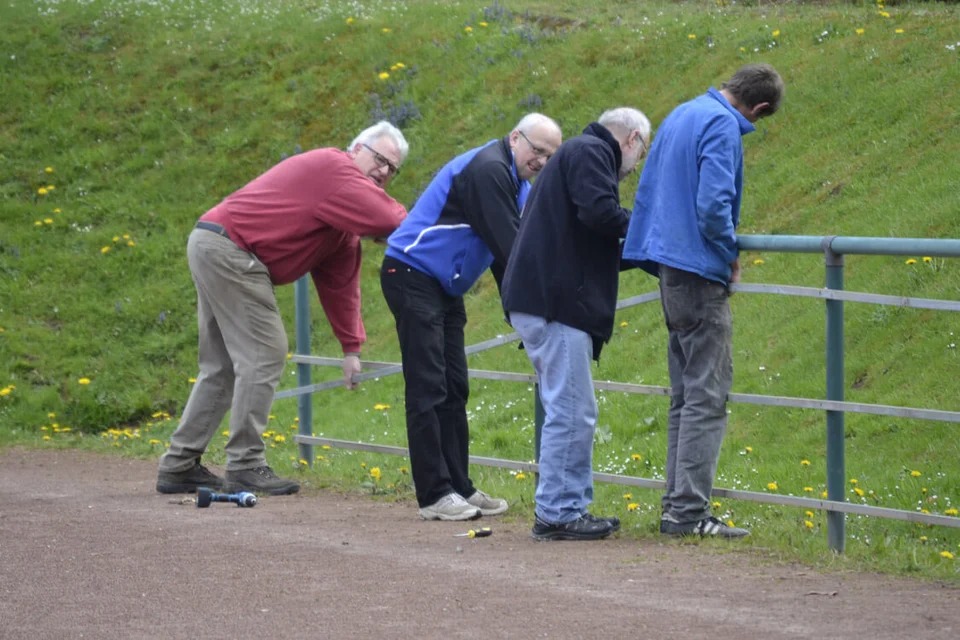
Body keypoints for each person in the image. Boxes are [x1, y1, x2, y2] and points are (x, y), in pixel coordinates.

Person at [157, 122, 410, 496]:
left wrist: (351, 348)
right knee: (265, 351)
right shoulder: (333, 165)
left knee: (222, 365)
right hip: (232, 249)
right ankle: (245, 464)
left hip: (214, 243)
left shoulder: (340, 231)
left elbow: (341, 288)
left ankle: (179, 465)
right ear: (356, 148)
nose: (385, 172)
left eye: (393, 169)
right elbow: (390, 219)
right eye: (380, 160)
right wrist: (415, 227)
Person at [623, 63, 785, 538]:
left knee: (685, 395)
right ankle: (689, 513)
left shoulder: (682, 113)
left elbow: (650, 193)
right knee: (706, 395)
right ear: (756, 107)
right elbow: (715, 207)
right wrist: (729, 253)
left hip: (669, 268)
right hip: (697, 271)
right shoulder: (720, 124)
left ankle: (678, 508)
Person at [381, 113, 562, 521]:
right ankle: (434, 494)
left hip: (443, 285)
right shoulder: (488, 170)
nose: (542, 162)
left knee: (455, 386)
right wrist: (538, 311)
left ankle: (459, 485)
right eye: (538, 150)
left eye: (550, 156)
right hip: (412, 274)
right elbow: (510, 247)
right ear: (516, 138)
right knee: (428, 385)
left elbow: (506, 257)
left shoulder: (516, 182)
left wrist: (519, 310)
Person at [501, 108, 651, 541]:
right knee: (571, 409)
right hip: (556, 304)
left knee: (570, 408)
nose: (634, 168)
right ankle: (559, 512)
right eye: (639, 156)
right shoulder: (589, 151)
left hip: (546, 299)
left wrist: (651, 255)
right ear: (632, 139)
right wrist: (655, 234)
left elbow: (596, 239)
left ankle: (566, 507)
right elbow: (602, 215)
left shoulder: (576, 155)